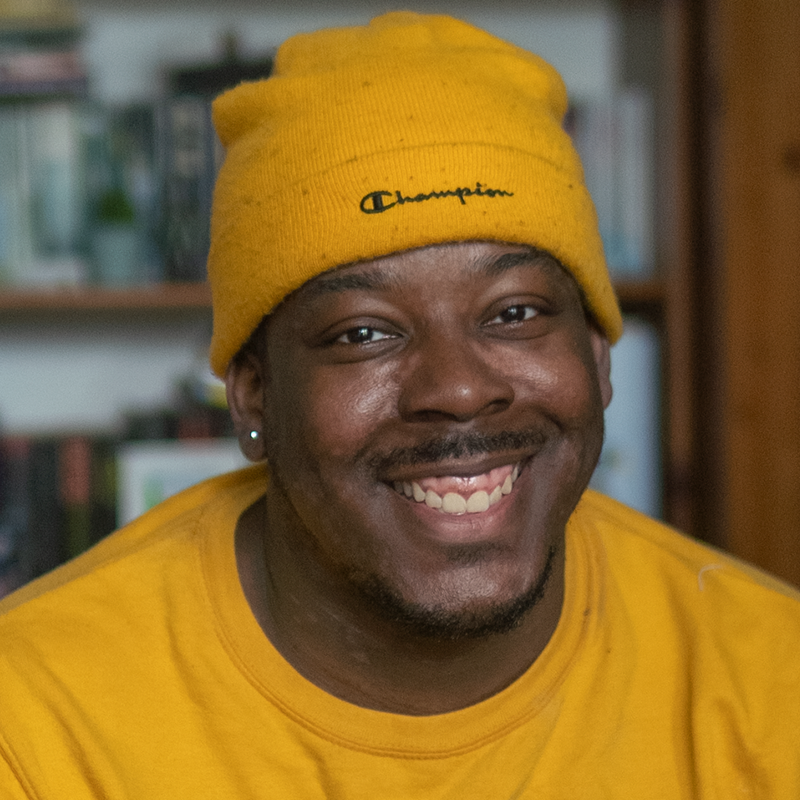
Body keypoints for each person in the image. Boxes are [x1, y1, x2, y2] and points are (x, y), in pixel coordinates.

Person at [0, 12, 798, 798]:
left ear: (595, 357)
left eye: (515, 312)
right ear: (253, 391)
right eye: (365, 333)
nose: (457, 389)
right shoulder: (34, 721)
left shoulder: (769, 684)